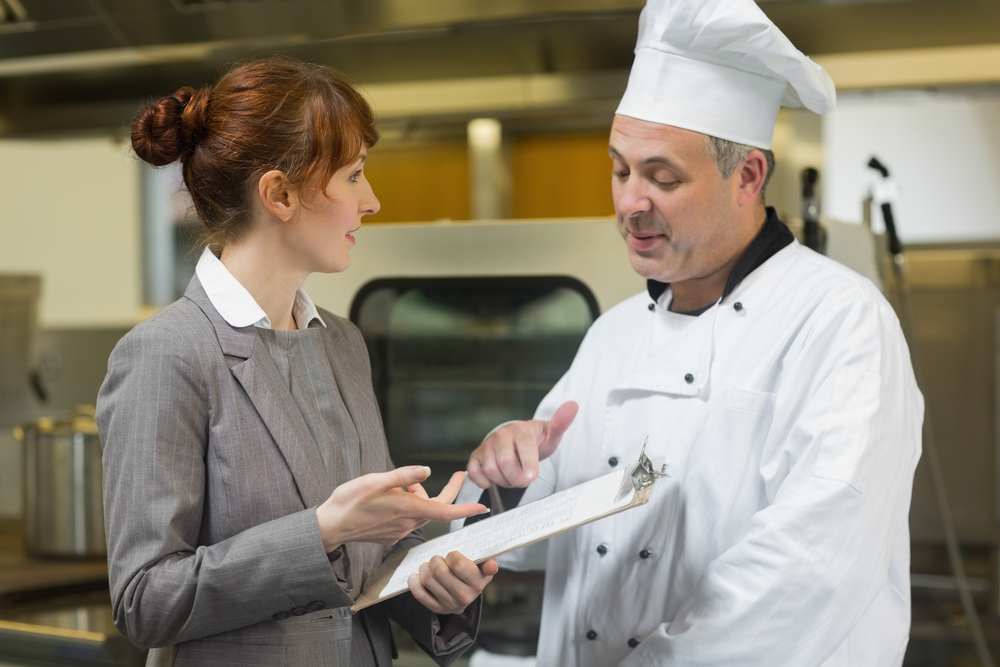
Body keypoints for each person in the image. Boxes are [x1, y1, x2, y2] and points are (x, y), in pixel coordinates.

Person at [461, 0, 923, 665]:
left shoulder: (840, 321)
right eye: (620, 169)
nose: (629, 203)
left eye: (663, 177)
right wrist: (506, 477)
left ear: (749, 176)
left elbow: (808, 566)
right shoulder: (615, 335)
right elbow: (537, 531)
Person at [98, 57, 497, 667]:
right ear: (279, 194)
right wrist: (322, 531)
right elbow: (145, 601)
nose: (373, 201)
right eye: (354, 176)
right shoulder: (167, 353)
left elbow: (367, 562)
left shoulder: (342, 343)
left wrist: (434, 582)